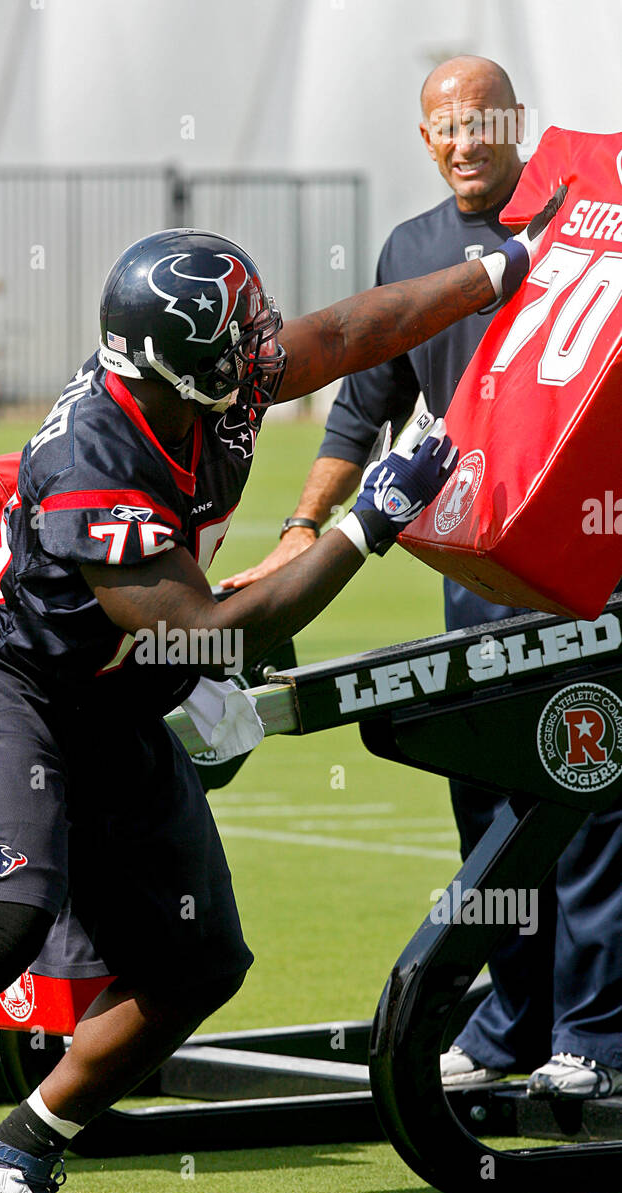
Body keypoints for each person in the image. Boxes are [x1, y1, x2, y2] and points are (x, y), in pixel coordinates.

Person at [0, 209, 559, 1193]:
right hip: (2, 682)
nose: (263, 351)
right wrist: (364, 524)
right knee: (8, 911)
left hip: (110, 691)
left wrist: (492, 270)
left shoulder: (196, 380)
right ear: (184, 359)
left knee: (196, 962)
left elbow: (334, 338)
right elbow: (212, 628)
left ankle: (14, 1156)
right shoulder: (100, 454)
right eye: (240, 339)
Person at [222, 55, 622, 1103]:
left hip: (587, 573)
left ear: (514, 125)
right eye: (443, 124)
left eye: (480, 119)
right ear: (423, 138)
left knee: (582, 802)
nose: (461, 139)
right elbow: (360, 409)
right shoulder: (412, 247)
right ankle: (508, 1031)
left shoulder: (588, 231)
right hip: (469, 572)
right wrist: (303, 523)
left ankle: (596, 1041)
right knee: (487, 812)